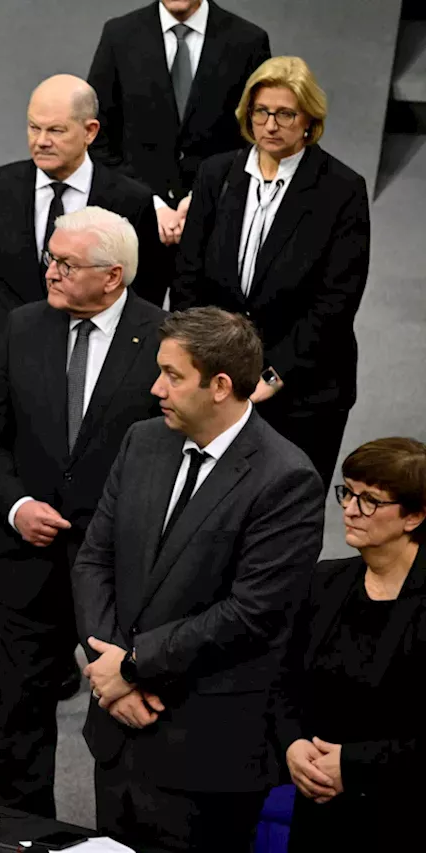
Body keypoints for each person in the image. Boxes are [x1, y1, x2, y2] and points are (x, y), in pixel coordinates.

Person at [0, 73, 162, 728]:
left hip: (102, 387)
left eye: (54, 128)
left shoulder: (128, 198)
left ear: (89, 132)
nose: (40, 139)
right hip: (12, 376)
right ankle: (1, 687)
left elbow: (155, 298)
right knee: (6, 561)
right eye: (32, 126)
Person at [71, 307, 324, 853]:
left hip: (206, 753)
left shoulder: (286, 479)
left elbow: (251, 612)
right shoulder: (142, 441)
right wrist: (109, 672)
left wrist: (133, 665)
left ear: (220, 386)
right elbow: (94, 560)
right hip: (117, 731)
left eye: (173, 375)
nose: (156, 386)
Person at [0, 207, 166, 818]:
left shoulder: (163, 338)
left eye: (64, 262)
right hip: (26, 552)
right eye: (50, 257)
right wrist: (18, 505)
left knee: (121, 698)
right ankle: (22, 830)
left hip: (117, 562)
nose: (49, 270)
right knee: (22, 705)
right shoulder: (20, 327)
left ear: (111, 276)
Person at [171, 56, 370, 485]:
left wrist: (274, 373)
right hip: (218, 380)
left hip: (304, 387)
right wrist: (204, 361)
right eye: (261, 112)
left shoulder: (341, 188)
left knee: (284, 511)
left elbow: (336, 300)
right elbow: (188, 276)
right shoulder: (216, 174)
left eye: (285, 114)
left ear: (309, 120)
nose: (271, 124)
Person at [270, 437, 426, 850]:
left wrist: (354, 767)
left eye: (370, 500)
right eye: (348, 491)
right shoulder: (326, 581)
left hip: (404, 812)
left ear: (413, 517)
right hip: (319, 804)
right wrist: (294, 745)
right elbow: (285, 681)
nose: (350, 509)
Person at [88, 0, 270, 244]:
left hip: (218, 227)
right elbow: (95, 136)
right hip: (134, 229)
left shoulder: (248, 41)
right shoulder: (119, 36)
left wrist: (204, 197)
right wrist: (150, 202)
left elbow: (259, 139)